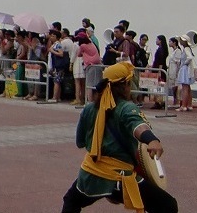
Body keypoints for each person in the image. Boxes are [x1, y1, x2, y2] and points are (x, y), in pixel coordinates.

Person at [61, 62, 178, 213]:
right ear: (125, 86)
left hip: (91, 174)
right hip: (119, 177)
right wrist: (152, 140)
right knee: (168, 206)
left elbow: (80, 142)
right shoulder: (126, 108)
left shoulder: (89, 108)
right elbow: (138, 126)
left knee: (71, 201)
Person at [175, 35, 196, 112]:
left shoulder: (186, 49)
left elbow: (190, 57)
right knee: (188, 88)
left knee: (185, 88)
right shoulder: (188, 48)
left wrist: (185, 63)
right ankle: (189, 105)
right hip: (187, 69)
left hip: (185, 69)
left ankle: (183, 105)